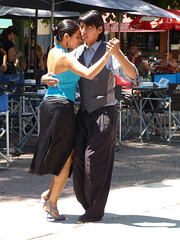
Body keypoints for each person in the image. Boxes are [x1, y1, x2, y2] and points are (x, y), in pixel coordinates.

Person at [42, 10, 138, 224]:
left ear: (100, 30)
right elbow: (58, 70)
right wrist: (44, 77)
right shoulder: (77, 52)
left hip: (104, 111)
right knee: (78, 160)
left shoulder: (109, 51)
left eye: (89, 27)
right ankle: (87, 205)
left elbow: (132, 75)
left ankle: (94, 210)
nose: (83, 31)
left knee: (93, 160)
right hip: (83, 112)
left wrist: (119, 54)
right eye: (81, 27)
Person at [29, 19, 119, 221]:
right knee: (66, 159)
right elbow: (88, 73)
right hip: (61, 107)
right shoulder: (67, 57)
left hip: (49, 104)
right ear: (67, 37)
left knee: (64, 155)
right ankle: (51, 203)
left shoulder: (53, 51)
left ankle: (48, 195)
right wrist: (107, 54)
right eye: (78, 36)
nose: (81, 39)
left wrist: (44, 78)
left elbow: (50, 73)